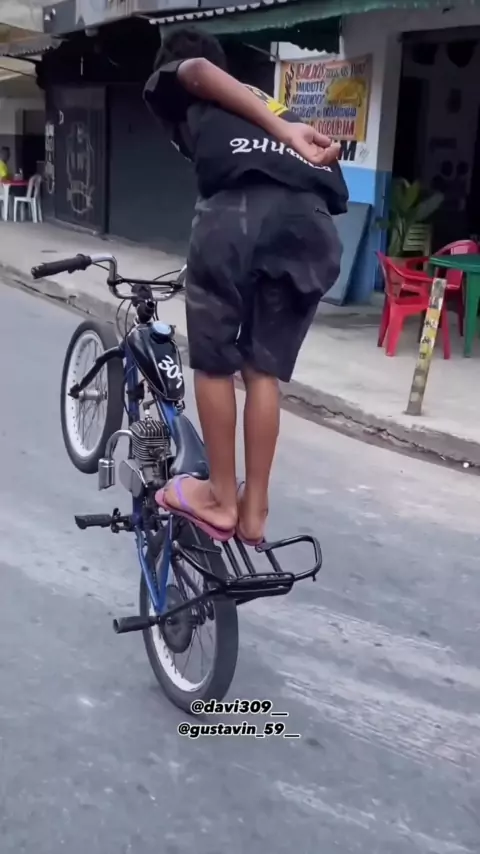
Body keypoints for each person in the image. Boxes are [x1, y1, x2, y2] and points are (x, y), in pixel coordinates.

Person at [144, 26, 347, 544]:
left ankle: (219, 498)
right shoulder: (266, 101)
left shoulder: (189, 80)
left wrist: (283, 133)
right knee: (262, 370)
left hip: (237, 216)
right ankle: (254, 510)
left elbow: (195, 71)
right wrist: (285, 132)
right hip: (312, 226)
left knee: (214, 362)